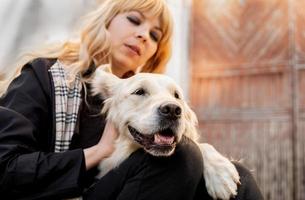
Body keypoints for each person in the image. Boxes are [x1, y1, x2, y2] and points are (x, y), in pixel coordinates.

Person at [0, 0, 263, 199]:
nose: (143, 36)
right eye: (135, 20)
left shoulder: (154, 102)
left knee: (240, 179)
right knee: (181, 155)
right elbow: (6, 170)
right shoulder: (44, 76)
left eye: (154, 36)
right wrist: (98, 151)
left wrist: (208, 154)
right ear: (107, 20)